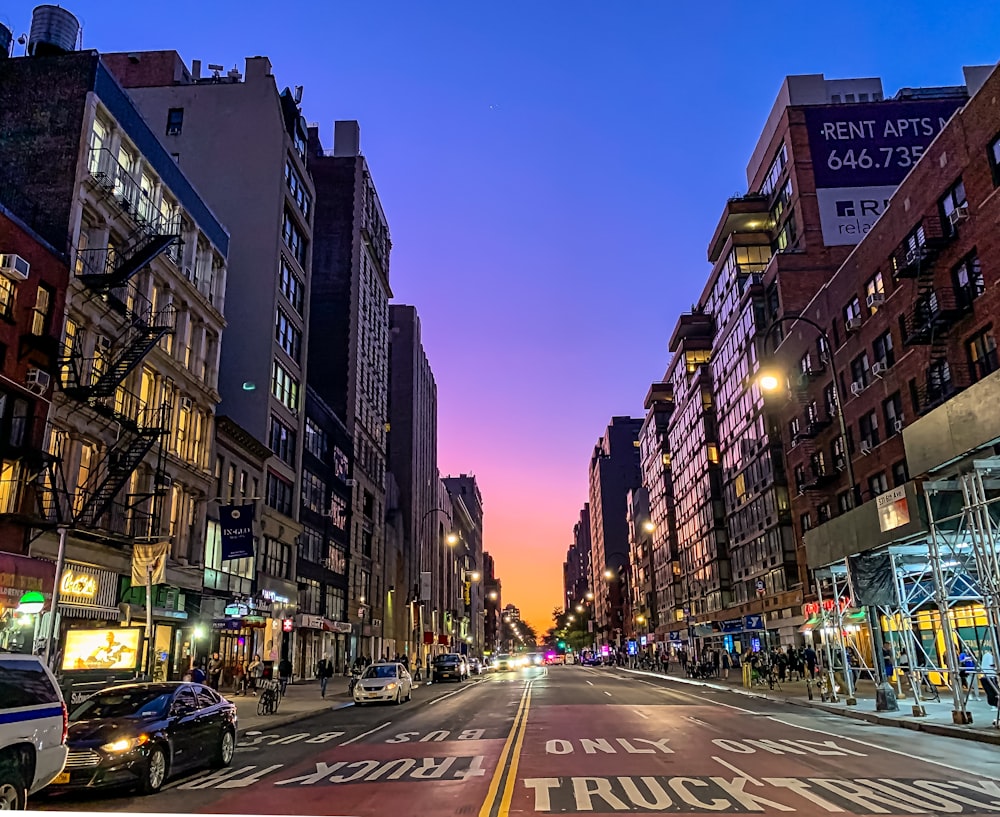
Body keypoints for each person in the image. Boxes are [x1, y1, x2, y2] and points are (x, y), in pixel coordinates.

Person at [980, 645, 998, 710]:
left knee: (990, 691)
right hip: (991, 675)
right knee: (994, 691)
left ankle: (993, 704)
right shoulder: (990, 656)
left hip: (986, 675)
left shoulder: (985, 655)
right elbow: (992, 664)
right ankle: (994, 704)